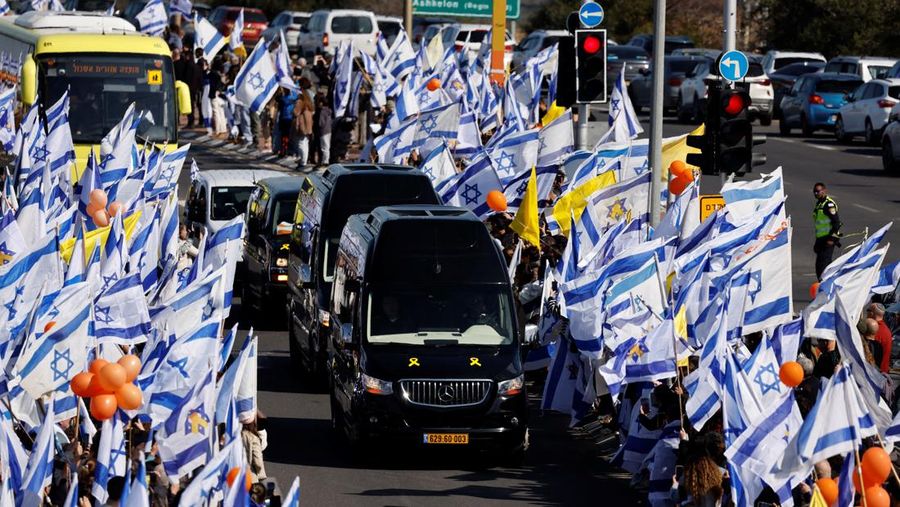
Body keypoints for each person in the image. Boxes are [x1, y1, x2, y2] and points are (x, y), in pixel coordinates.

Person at [812, 182, 841, 281]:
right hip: (821, 239)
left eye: (818, 191)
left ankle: (824, 287)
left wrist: (831, 239)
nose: (816, 193)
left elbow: (836, 223)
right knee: (821, 265)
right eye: (815, 192)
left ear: (824, 191)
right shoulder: (819, 204)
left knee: (822, 265)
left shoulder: (828, 204)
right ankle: (825, 286)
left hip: (828, 239)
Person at [292, 80, 315, 168]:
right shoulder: (309, 103)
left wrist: (293, 108)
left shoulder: (300, 102)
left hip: (302, 124)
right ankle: (304, 160)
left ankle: (303, 161)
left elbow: (296, 112)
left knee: (301, 143)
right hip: (308, 124)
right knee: (305, 142)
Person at [868, 302, 893, 372]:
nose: (867, 313)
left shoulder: (874, 330)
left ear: (872, 313)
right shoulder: (885, 329)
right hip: (882, 371)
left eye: (868, 310)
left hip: (877, 373)